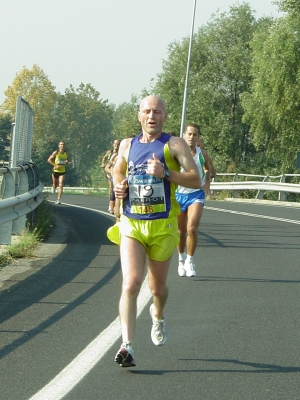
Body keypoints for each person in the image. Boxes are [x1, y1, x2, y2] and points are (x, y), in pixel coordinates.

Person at [110, 95, 200, 367]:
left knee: (157, 289)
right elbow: (116, 171)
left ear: (165, 116)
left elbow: (195, 178)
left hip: (162, 226)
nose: (152, 116)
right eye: (147, 111)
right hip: (132, 224)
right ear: (139, 115)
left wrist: (167, 174)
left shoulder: (175, 144)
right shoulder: (127, 145)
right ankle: (127, 346)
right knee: (130, 283)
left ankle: (158, 316)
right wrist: (119, 186)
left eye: (157, 112)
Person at [176, 124, 211, 277]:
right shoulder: (176, 154)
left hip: (196, 194)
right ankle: (180, 258)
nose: (191, 137)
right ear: (184, 135)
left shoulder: (202, 154)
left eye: (194, 134)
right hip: (178, 195)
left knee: (192, 228)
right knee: (180, 231)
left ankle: (190, 260)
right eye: (189, 134)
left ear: (198, 137)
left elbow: (208, 170)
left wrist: (207, 185)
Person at [101, 140, 121, 212]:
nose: (116, 145)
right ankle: (111, 204)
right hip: (109, 172)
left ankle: (116, 205)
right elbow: (104, 158)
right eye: (115, 144)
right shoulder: (110, 152)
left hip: (117, 172)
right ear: (113, 144)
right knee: (111, 187)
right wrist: (103, 163)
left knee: (115, 188)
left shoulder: (121, 152)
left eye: (118, 144)